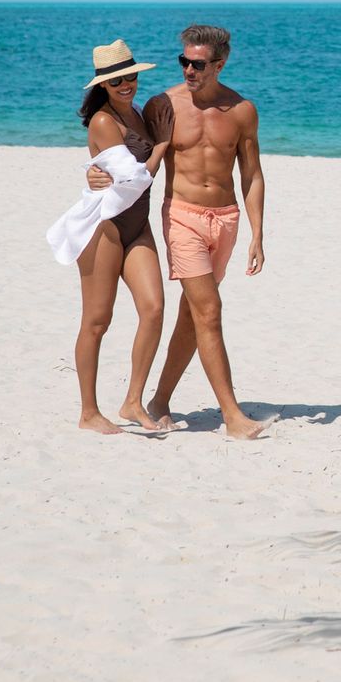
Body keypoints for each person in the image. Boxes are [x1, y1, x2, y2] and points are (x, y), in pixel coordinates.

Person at [92, 23, 269, 439]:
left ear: (219, 65)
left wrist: (258, 233)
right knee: (210, 310)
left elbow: (253, 175)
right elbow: (127, 155)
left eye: (198, 64)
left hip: (225, 218)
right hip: (182, 216)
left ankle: (159, 400)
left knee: (194, 314)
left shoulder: (242, 110)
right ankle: (232, 416)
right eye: (184, 61)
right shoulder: (162, 105)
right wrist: (95, 176)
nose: (189, 69)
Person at [63, 40, 168, 434]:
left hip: (136, 226)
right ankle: (89, 413)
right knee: (96, 321)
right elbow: (134, 181)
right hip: (104, 228)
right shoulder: (104, 122)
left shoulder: (138, 113)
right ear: (102, 85)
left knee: (154, 309)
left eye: (131, 76)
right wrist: (162, 145)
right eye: (116, 80)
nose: (126, 84)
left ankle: (132, 401)